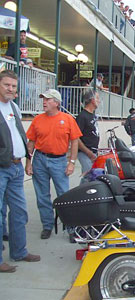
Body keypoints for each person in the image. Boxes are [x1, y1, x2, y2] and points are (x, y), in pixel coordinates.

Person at [25, 89, 82, 242]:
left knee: (64, 195)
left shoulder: (68, 119)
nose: (44, 102)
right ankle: (47, 225)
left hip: (59, 161)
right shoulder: (37, 120)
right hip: (40, 160)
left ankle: (70, 227)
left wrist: (71, 162)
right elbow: (31, 142)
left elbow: (74, 141)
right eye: (43, 99)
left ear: (56, 103)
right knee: (42, 195)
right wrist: (28, 162)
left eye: (47, 99)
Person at [0, 70, 40, 273]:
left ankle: (19, 251)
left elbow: (20, 135)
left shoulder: (13, 107)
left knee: (19, 211)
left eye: (14, 86)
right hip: (1, 168)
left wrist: (27, 160)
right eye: (7, 85)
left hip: (16, 167)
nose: (10, 89)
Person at [75, 90, 100, 183]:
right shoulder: (82, 116)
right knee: (88, 176)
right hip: (85, 153)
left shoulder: (93, 115)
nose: (99, 101)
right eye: (97, 98)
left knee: (94, 175)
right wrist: (88, 152)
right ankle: (82, 195)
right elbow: (76, 138)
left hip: (94, 151)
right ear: (92, 100)